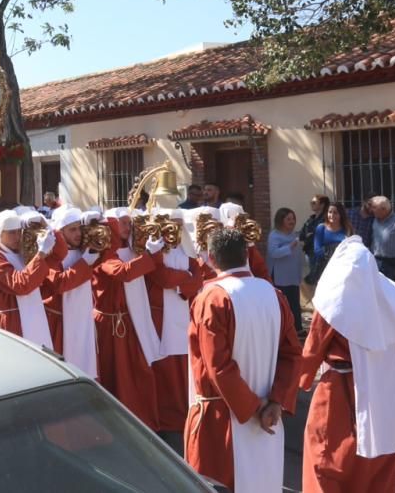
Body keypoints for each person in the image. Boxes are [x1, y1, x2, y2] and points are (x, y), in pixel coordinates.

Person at [184, 228, 301, 493]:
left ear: (211, 258)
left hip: (223, 419)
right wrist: (276, 401)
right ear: (247, 254)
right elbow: (292, 354)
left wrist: (253, 407)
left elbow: (218, 366)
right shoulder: (275, 295)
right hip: (268, 418)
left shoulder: (212, 298)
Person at [300, 236, 395, 493]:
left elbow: (313, 345)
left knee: (328, 457)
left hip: (339, 392)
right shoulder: (391, 296)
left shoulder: (334, 301)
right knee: (378, 462)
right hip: (383, 391)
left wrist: (300, 381)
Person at [92, 208, 162, 430]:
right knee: (118, 376)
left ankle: (142, 419)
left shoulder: (134, 250)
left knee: (138, 372)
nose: (127, 227)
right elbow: (123, 273)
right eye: (121, 223)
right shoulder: (103, 253)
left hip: (133, 322)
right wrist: (149, 255)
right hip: (113, 326)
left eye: (128, 222)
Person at [146, 209, 205, 447]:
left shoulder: (187, 251)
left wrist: (180, 281)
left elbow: (197, 278)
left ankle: (185, 415)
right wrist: (183, 278)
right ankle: (168, 422)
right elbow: (161, 278)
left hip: (184, 316)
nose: (175, 229)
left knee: (184, 370)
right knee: (165, 371)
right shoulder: (154, 252)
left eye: (179, 224)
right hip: (160, 319)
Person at [0, 211, 55, 348]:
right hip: (11, 322)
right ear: (0, 233)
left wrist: (46, 227)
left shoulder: (23, 253)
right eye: (11, 233)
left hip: (34, 316)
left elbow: (58, 255)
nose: (17, 236)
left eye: (19, 232)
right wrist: (40, 254)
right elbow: (20, 285)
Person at [42, 208, 98, 377]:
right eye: (72, 229)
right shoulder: (51, 256)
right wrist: (84, 264)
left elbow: (112, 244)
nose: (78, 234)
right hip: (60, 323)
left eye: (79, 228)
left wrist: (101, 222)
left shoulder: (84, 250)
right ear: (60, 232)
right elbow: (59, 284)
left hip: (83, 318)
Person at [267, 208, 306, 334]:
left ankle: (297, 329)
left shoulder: (294, 235)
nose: (292, 221)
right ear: (280, 220)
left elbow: (298, 256)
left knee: (294, 303)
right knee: (281, 305)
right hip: (279, 277)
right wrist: (290, 246)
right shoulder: (274, 235)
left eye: (293, 218)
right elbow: (273, 253)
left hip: (293, 276)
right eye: (288, 219)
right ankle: (282, 330)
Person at [307, 202, 353, 286]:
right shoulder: (321, 228)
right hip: (325, 269)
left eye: (335, 212)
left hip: (342, 269)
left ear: (341, 214)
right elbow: (317, 250)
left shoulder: (347, 229)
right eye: (330, 212)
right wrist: (335, 252)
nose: (331, 215)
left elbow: (352, 248)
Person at [300, 195, 330, 280]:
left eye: (314, 203)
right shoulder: (311, 219)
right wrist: (307, 236)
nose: (311, 204)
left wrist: (309, 236)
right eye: (311, 202)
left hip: (319, 253)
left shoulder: (326, 219)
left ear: (322, 205)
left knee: (317, 278)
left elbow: (316, 235)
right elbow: (302, 234)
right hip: (309, 251)